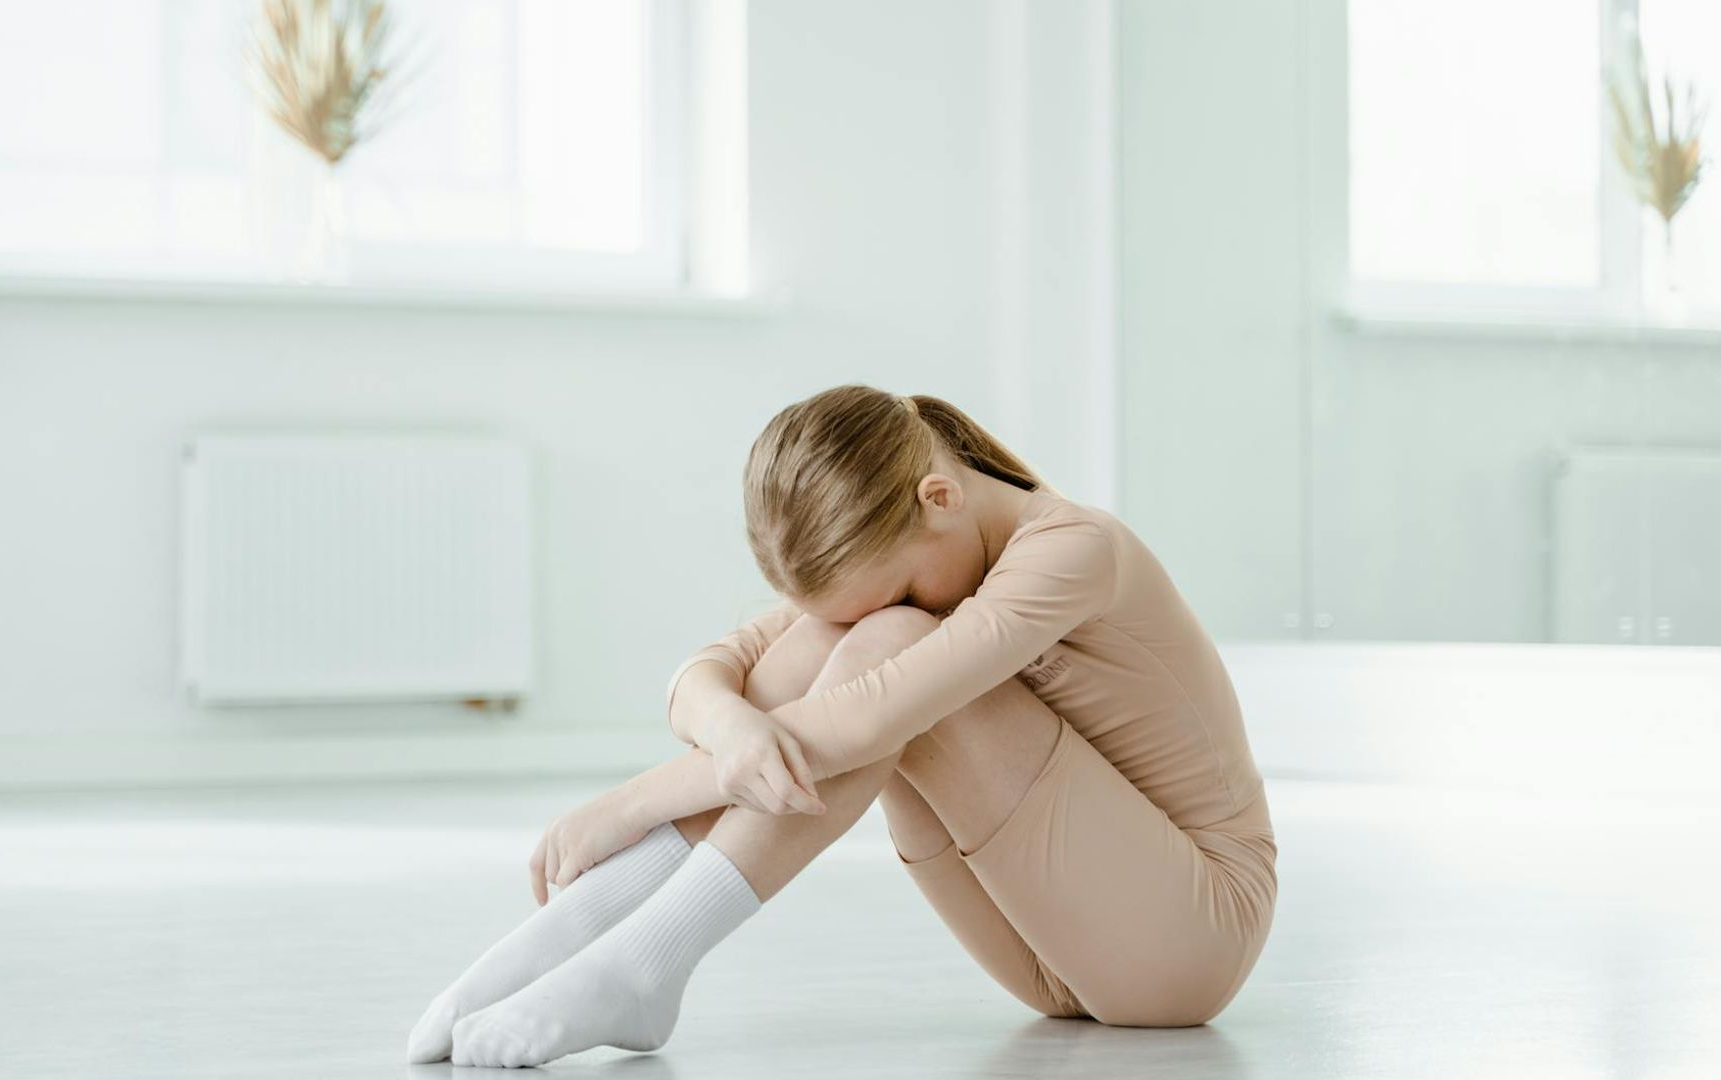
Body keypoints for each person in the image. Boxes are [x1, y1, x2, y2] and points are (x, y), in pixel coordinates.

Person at [407, 383, 1278, 1068]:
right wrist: (735, 731)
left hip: (1188, 936)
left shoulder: (1074, 548)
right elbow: (701, 678)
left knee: (890, 654)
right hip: (1047, 955)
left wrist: (630, 803)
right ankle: (579, 933)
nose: (887, 611)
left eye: (900, 585)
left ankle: (643, 961)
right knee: (824, 650)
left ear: (941, 497)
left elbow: (869, 719)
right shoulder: (921, 544)